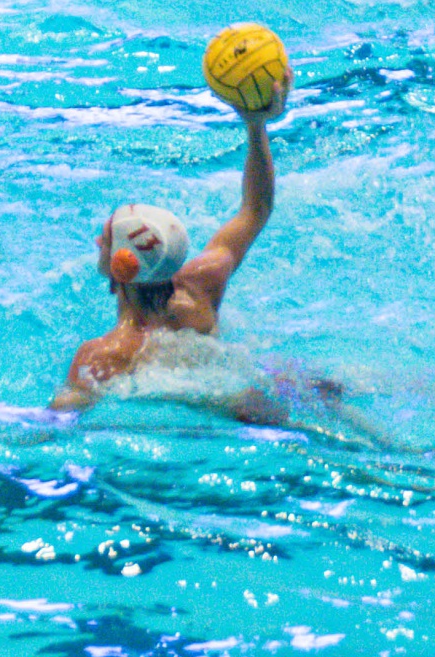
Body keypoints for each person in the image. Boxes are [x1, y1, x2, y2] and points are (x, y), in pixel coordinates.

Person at [51, 68, 289, 417]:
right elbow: (256, 209)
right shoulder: (203, 285)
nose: (97, 239)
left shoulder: (106, 354)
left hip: (223, 418)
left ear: (122, 266)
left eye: (105, 238)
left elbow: (54, 423)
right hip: (252, 395)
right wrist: (256, 125)